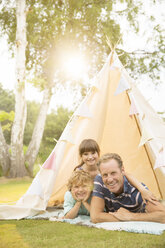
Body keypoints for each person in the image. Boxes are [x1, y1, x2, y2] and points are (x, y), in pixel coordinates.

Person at [74, 139, 157, 204]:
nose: (90, 157)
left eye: (93, 153)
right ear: (81, 156)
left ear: (98, 153)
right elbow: (74, 186)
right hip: (87, 197)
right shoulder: (79, 170)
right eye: (86, 154)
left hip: (102, 198)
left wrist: (142, 189)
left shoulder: (103, 167)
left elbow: (126, 175)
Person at [90, 153, 165, 223]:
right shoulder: (100, 180)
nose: (109, 179)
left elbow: (163, 215)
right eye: (105, 175)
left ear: (122, 170)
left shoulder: (137, 192)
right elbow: (95, 217)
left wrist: (131, 216)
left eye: (113, 173)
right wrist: (124, 218)